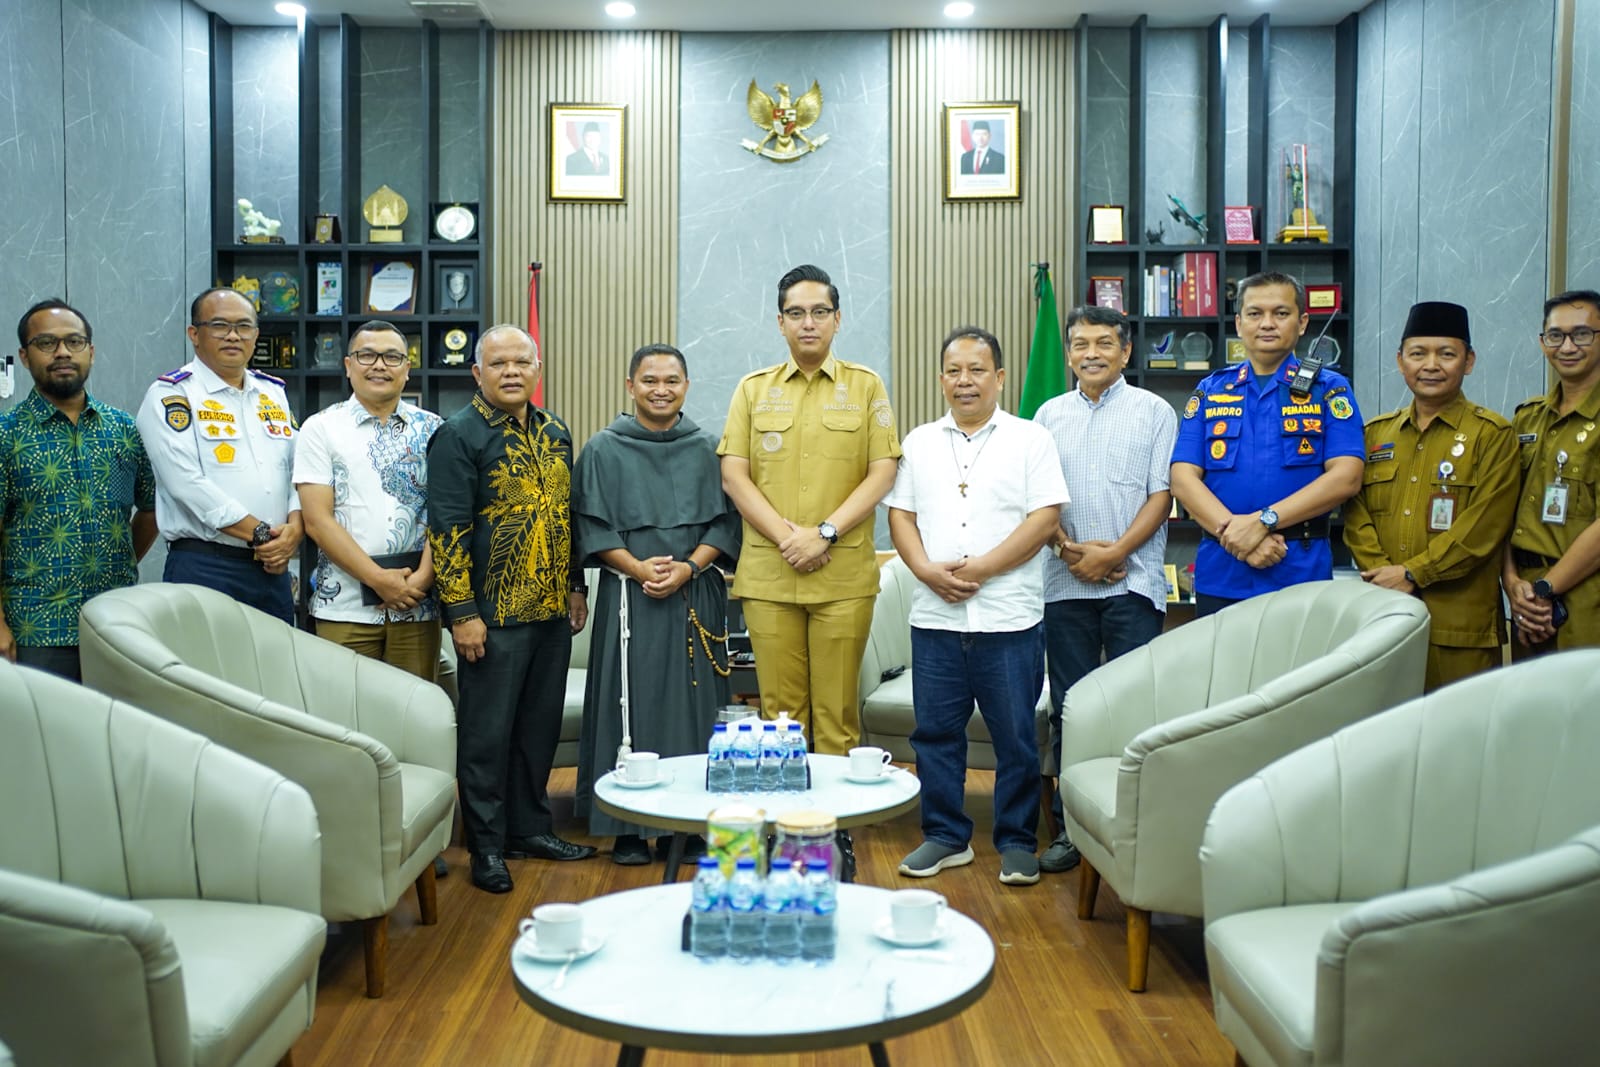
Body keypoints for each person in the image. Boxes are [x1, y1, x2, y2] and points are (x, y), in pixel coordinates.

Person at [718, 264, 899, 879]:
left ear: (837, 318)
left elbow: (883, 472)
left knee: (837, 715)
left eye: (819, 311)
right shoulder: (752, 389)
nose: (808, 323)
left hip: (842, 574)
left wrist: (822, 533)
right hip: (771, 575)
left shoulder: (867, 387)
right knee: (779, 712)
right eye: (796, 313)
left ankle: (830, 832)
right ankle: (784, 829)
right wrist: (788, 538)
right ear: (780, 322)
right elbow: (734, 474)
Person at [888, 326, 1066, 887]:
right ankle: (944, 835)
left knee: (1014, 734)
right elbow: (901, 516)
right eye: (954, 371)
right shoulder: (918, 441)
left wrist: (984, 568)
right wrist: (923, 569)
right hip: (935, 616)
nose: (965, 381)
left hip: (1009, 615)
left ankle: (1015, 840)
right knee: (935, 732)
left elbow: (1045, 518)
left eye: (977, 370)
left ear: (1000, 377)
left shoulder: (1029, 439)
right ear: (942, 378)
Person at [427, 324, 596, 894]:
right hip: (491, 617)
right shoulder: (459, 435)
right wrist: (461, 611)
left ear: (537, 368)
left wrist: (576, 585)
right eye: (498, 364)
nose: (511, 372)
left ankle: (531, 828)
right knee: (485, 736)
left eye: (521, 362)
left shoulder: (556, 431)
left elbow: (566, 516)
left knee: (536, 731)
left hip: (550, 611)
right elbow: (447, 531)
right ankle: (487, 846)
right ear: (478, 373)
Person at [572, 343, 742, 865]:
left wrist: (689, 567)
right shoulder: (602, 449)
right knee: (629, 702)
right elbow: (592, 526)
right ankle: (626, 826)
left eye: (672, 380)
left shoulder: (709, 448)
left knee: (695, 708)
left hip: (697, 592)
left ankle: (688, 827)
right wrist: (638, 567)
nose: (661, 389)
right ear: (630, 386)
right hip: (630, 595)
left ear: (686, 386)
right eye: (649, 380)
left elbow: (725, 522)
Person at [1032, 305, 1176, 873]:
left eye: (1103, 343)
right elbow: (1036, 500)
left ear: (1125, 352)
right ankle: (1071, 829)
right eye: (1079, 344)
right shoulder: (1047, 415)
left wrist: (1114, 554)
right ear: (1067, 354)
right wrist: (1071, 552)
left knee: (1131, 709)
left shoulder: (1155, 411)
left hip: (1133, 584)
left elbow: (1162, 496)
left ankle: (1129, 829)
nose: (1090, 353)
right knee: (1071, 708)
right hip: (1064, 585)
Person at [1343, 301, 1518, 691]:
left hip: (1459, 629)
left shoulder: (1492, 435)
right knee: (1386, 733)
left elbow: (1484, 528)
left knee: (1458, 737)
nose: (1431, 365)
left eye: (1447, 354)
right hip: (1384, 616)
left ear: (1468, 361)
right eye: (1418, 353)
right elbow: (1355, 514)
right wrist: (1383, 573)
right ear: (1400, 360)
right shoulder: (1375, 434)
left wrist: (1412, 573)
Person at [1170, 271, 1365, 614]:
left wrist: (1263, 522)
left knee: (1302, 670)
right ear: (1239, 322)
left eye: (1281, 313)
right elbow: (1182, 479)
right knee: (1223, 669)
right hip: (1223, 570)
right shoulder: (1212, 389)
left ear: (1303, 322)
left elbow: (1346, 477)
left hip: (1299, 571)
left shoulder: (1329, 388)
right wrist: (1240, 540)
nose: (1267, 324)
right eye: (1255, 313)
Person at [0, 299, 157, 681]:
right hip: (37, 627)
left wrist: (118, 560)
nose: (63, 353)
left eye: (74, 341)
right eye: (46, 343)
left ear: (91, 351)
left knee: (116, 735)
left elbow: (151, 508)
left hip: (117, 623)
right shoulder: (7, 435)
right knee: (45, 738)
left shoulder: (123, 429)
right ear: (24, 356)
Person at [136, 287, 302, 623]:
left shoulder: (273, 394)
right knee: (204, 674)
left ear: (255, 336)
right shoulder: (172, 394)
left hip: (273, 567)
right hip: (206, 566)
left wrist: (295, 529)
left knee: (277, 672)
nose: (232, 336)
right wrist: (262, 534)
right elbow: (185, 483)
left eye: (243, 327)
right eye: (219, 326)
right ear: (194, 334)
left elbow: (297, 471)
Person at [294, 319, 444, 680]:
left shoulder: (435, 429)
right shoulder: (320, 428)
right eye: (367, 355)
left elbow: (447, 513)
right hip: (344, 608)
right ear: (348, 366)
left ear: (407, 369)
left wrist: (423, 579)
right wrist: (379, 579)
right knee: (345, 721)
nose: (379, 365)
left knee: (415, 718)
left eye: (392, 357)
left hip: (417, 606)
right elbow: (317, 520)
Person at [1503, 289, 1600, 654]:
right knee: (1530, 706)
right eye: (1556, 336)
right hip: (1526, 602)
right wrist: (1513, 584)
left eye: (1583, 334)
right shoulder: (1527, 418)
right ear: (1544, 343)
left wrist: (1546, 589)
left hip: (1585, 597)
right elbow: (1505, 512)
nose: (1568, 346)